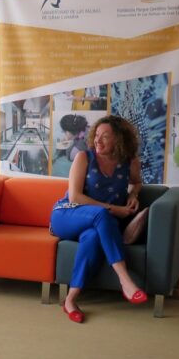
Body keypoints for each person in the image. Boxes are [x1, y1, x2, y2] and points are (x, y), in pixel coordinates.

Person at [49, 115, 150, 323]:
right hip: (67, 213)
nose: (97, 140)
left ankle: (70, 299)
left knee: (94, 237)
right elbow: (75, 197)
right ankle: (125, 280)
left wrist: (133, 194)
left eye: (105, 136)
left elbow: (137, 183)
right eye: (96, 135)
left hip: (97, 222)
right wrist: (115, 209)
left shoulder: (130, 162)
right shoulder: (84, 157)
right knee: (103, 214)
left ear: (119, 139)